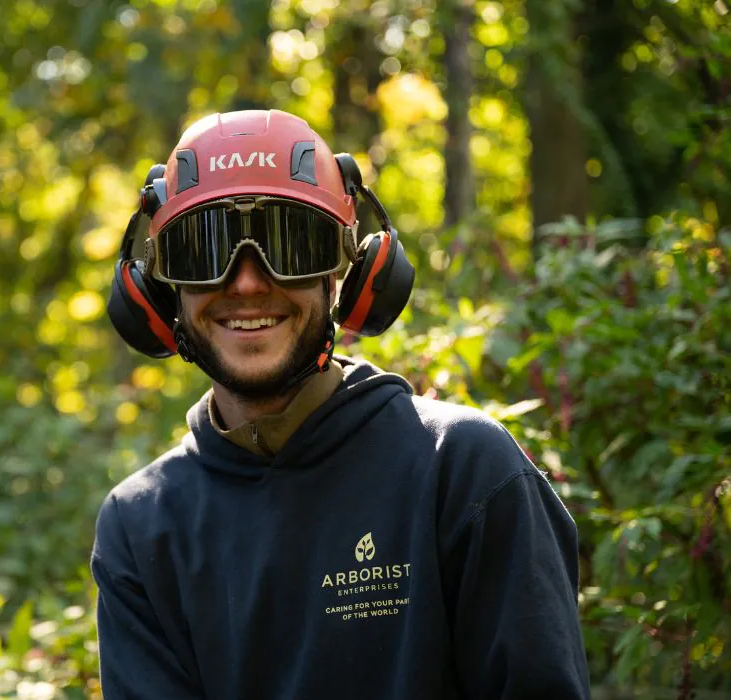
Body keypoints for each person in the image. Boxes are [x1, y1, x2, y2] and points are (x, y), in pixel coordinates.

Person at [92, 109, 591, 699]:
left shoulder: (465, 471)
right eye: (206, 249)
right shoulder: (140, 526)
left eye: (289, 244)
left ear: (347, 275)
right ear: (159, 290)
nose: (246, 282)